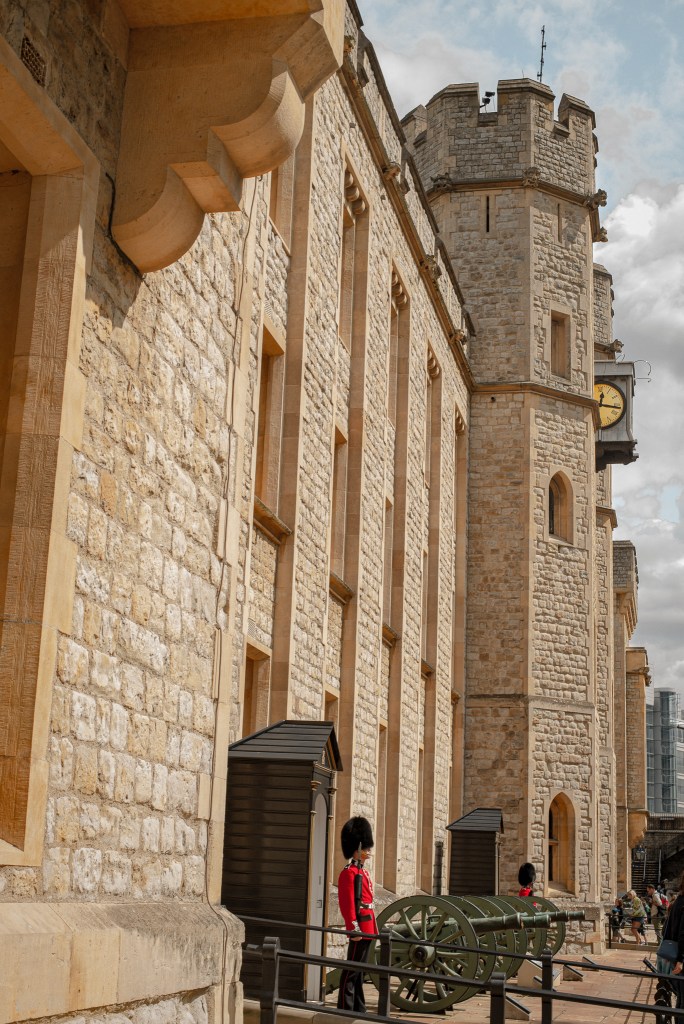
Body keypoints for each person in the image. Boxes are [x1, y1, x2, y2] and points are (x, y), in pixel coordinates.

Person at [337, 817, 376, 1013]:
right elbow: (347, 905)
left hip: (368, 926)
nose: (369, 852)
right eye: (366, 848)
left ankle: (358, 1008)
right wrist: (354, 928)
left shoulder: (362, 872)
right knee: (351, 971)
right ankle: (345, 1007)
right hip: (360, 926)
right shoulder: (349, 873)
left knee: (359, 972)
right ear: (357, 847)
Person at [657, 870, 684, 1012]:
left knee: (680, 1000)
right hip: (680, 960)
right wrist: (681, 959)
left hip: (675, 957)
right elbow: (683, 934)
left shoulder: (678, 901)